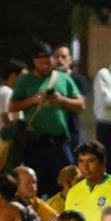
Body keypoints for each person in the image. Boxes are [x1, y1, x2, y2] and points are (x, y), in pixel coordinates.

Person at [9, 42, 87, 194]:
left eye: (48, 61)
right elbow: (12, 106)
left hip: (59, 142)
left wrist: (62, 100)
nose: (45, 65)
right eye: (41, 62)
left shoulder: (63, 78)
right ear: (34, 62)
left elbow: (81, 105)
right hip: (37, 142)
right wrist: (33, 100)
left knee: (64, 184)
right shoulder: (26, 80)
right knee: (37, 186)